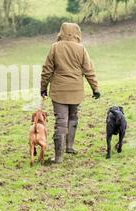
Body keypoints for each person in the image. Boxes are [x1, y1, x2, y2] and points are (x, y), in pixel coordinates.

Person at [40, 23, 100, 163]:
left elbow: (47, 70)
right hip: (76, 90)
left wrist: (43, 87)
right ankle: (70, 146)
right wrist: (95, 88)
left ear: (61, 32)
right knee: (73, 116)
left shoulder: (55, 47)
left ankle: (58, 157)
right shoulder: (81, 49)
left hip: (59, 91)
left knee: (61, 121)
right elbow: (88, 70)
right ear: (76, 33)